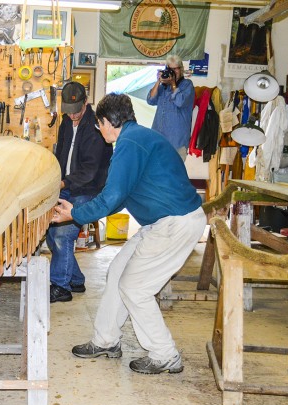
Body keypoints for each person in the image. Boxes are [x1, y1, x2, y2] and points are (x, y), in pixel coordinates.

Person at [52, 93, 205, 374]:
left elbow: (113, 197)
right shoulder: (135, 139)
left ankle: (164, 354)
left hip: (175, 223)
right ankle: (106, 341)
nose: (99, 131)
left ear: (109, 122)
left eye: (99, 125)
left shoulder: (130, 143)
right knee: (117, 273)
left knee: (135, 288)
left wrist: (75, 214)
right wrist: (81, 211)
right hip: (161, 222)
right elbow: (121, 195)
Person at [46, 81, 113, 304]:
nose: (73, 116)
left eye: (76, 112)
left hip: (89, 189)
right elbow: (61, 153)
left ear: (86, 103)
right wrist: (54, 178)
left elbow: (89, 171)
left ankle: (61, 287)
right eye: (69, 112)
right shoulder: (66, 122)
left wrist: (62, 184)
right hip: (68, 186)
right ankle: (75, 280)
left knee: (63, 234)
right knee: (50, 230)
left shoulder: (96, 127)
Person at [146, 54, 195, 161]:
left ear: (181, 69)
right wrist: (159, 81)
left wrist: (173, 84)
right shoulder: (163, 87)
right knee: (156, 174)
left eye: (175, 69)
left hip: (176, 142)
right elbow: (150, 100)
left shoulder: (187, 85)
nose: (172, 72)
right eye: (169, 69)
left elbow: (180, 101)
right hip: (158, 140)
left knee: (173, 175)